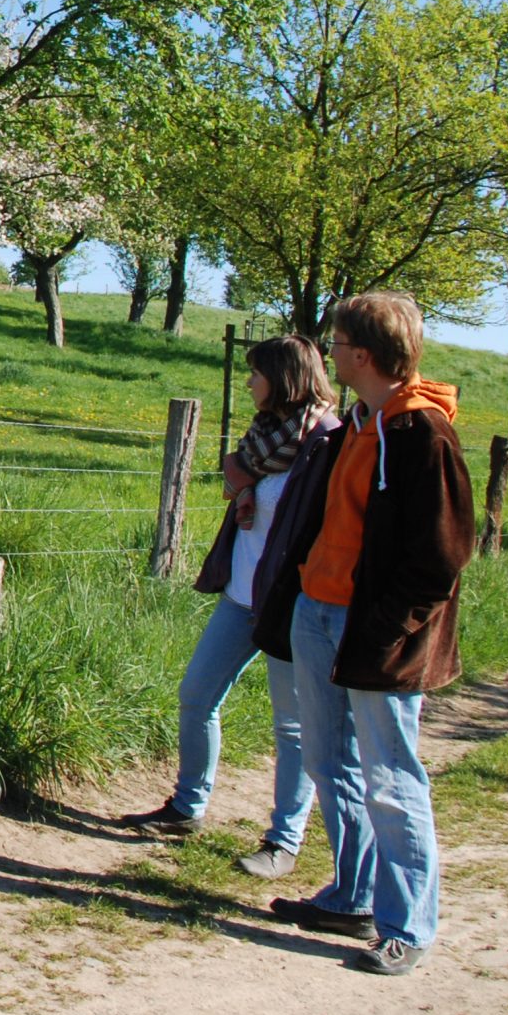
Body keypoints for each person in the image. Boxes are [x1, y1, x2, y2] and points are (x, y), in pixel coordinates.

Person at [254, 291, 475, 977]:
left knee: (392, 777)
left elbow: (440, 556)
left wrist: (384, 630)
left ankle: (407, 924)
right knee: (330, 764)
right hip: (319, 614)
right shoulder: (358, 422)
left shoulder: (421, 435)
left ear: (366, 354)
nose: (331, 351)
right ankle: (351, 894)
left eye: (340, 341)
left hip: (374, 632)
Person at [119, 335, 333, 879]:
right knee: (196, 695)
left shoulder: (327, 441)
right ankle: (186, 809)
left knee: (292, 727)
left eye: (256, 373)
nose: (248, 382)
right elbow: (235, 470)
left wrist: (242, 483)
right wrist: (241, 489)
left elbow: (309, 516)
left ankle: (283, 842)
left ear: (284, 376)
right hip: (241, 596)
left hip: (289, 605)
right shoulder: (266, 434)